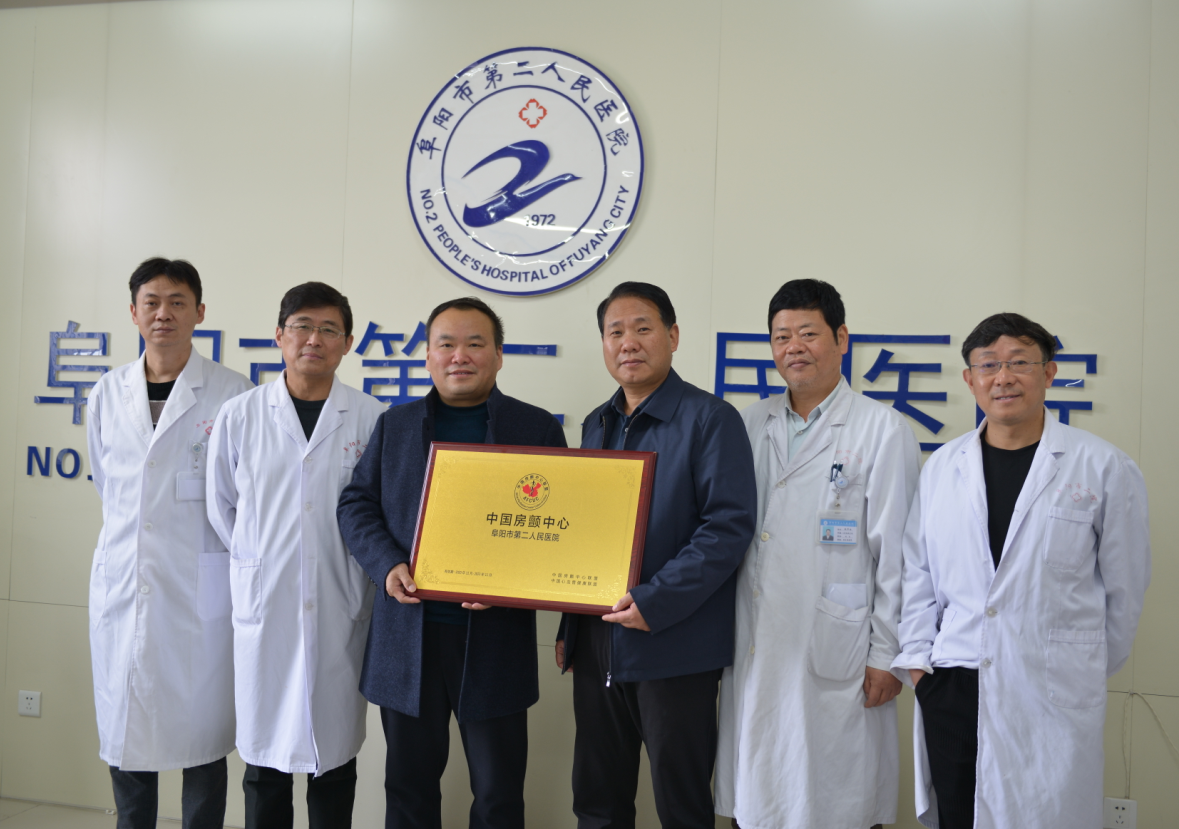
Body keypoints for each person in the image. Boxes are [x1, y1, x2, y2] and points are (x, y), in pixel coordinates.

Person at [891, 312, 1151, 829]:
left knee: (1047, 814)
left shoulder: (1103, 467)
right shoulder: (943, 467)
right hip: (955, 683)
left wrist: (1076, 668)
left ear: (1049, 372)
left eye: (1019, 363)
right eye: (988, 365)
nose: (1003, 377)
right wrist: (921, 670)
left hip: (1051, 688)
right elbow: (917, 574)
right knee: (960, 816)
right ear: (970, 379)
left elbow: (1126, 593)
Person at [337, 297, 567, 829]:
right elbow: (356, 505)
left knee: (498, 794)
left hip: (495, 637)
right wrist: (387, 564)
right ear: (428, 357)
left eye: (475, 343)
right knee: (409, 790)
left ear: (499, 355)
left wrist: (509, 581)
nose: (459, 355)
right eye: (446, 344)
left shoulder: (535, 428)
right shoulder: (396, 425)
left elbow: (560, 527)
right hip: (408, 637)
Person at [714, 280, 920, 829]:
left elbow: (898, 556)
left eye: (808, 333)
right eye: (781, 337)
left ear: (841, 339)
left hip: (840, 646)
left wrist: (887, 654)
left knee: (834, 796)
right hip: (759, 638)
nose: (794, 348)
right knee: (759, 791)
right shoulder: (749, 423)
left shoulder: (882, 429)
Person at [555, 282, 757, 829]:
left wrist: (656, 601)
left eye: (643, 328)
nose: (628, 342)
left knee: (681, 804)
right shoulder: (596, 422)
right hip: (598, 643)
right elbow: (580, 533)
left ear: (672, 336)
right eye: (615, 332)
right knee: (597, 799)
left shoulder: (711, 419)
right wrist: (571, 626)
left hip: (675, 645)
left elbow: (727, 527)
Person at [207, 282, 385, 828]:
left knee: (335, 758)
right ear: (279, 335)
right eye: (302, 326)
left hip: (339, 601)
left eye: (329, 329)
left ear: (348, 343)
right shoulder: (240, 415)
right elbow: (222, 507)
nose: (314, 339)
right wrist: (262, 560)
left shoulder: (371, 417)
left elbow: (379, 512)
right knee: (264, 763)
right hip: (268, 605)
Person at [86, 258, 252, 829]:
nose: (164, 314)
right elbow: (109, 483)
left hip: (199, 591)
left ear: (199, 312)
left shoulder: (233, 393)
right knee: (127, 728)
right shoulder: (107, 393)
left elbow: (243, 495)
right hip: (124, 583)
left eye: (177, 302)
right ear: (133, 313)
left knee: (202, 736)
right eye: (151, 302)